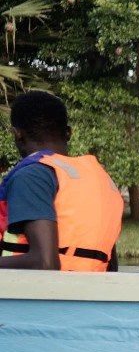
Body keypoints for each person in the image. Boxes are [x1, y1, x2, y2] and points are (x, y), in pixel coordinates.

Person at [0, 90, 123, 271]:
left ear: (17, 134)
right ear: (68, 133)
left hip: (32, 295)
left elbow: (45, 262)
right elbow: (110, 264)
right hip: (89, 295)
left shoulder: (32, 176)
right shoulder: (100, 180)